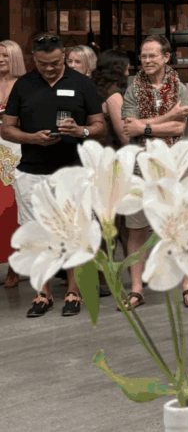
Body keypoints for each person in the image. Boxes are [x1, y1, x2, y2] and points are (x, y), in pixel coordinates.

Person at [2, 33, 105, 317]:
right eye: (43, 63)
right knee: (37, 235)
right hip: (32, 171)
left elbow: (99, 125)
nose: (50, 69)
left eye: (56, 63)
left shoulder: (82, 83)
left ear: (64, 55)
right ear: (33, 58)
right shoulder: (24, 85)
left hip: (72, 169)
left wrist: (81, 131)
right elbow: (6, 128)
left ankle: (73, 291)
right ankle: (42, 293)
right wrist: (32, 138)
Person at [121, 35, 188, 308]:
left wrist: (146, 127)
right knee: (137, 229)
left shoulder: (181, 88)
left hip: (175, 163)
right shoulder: (132, 89)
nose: (147, 60)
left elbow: (179, 128)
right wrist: (164, 119)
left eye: (153, 55)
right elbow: (130, 127)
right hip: (139, 165)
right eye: (143, 56)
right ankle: (137, 290)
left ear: (166, 57)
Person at [0, 40, 26, 289]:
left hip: (15, 147)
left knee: (14, 207)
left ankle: (15, 267)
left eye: (5, 56)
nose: (0, 59)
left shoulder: (25, 84)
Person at [92, 50, 131, 149]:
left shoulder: (96, 88)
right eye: (126, 69)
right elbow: (123, 133)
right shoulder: (113, 94)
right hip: (112, 152)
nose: (127, 74)